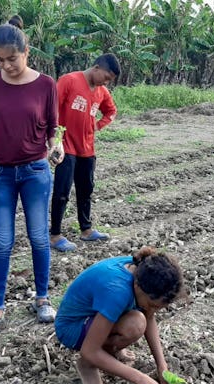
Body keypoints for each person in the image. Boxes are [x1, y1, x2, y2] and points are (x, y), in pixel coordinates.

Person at [0, 16, 63, 336]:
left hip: (36, 171)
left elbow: (52, 128)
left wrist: (56, 146)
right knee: (2, 242)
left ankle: (42, 298)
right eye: (0, 60)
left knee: (38, 238)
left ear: (27, 52)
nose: (6, 66)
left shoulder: (46, 84)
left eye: (12, 58)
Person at [54, 246, 185, 384]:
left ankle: (109, 353)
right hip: (72, 327)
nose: (153, 311)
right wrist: (140, 378)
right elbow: (89, 350)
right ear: (137, 286)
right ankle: (87, 365)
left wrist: (162, 366)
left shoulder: (141, 269)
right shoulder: (117, 291)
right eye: (153, 305)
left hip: (94, 317)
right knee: (135, 324)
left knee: (140, 317)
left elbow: (149, 316)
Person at [49, 53, 120, 252]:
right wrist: (54, 139)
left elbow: (112, 111)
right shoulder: (69, 81)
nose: (106, 83)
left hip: (87, 148)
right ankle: (55, 235)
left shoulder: (102, 92)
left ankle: (86, 230)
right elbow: (51, 108)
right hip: (66, 146)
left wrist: (98, 126)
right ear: (96, 68)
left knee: (86, 189)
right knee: (62, 191)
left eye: (109, 81)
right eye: (106, 77)